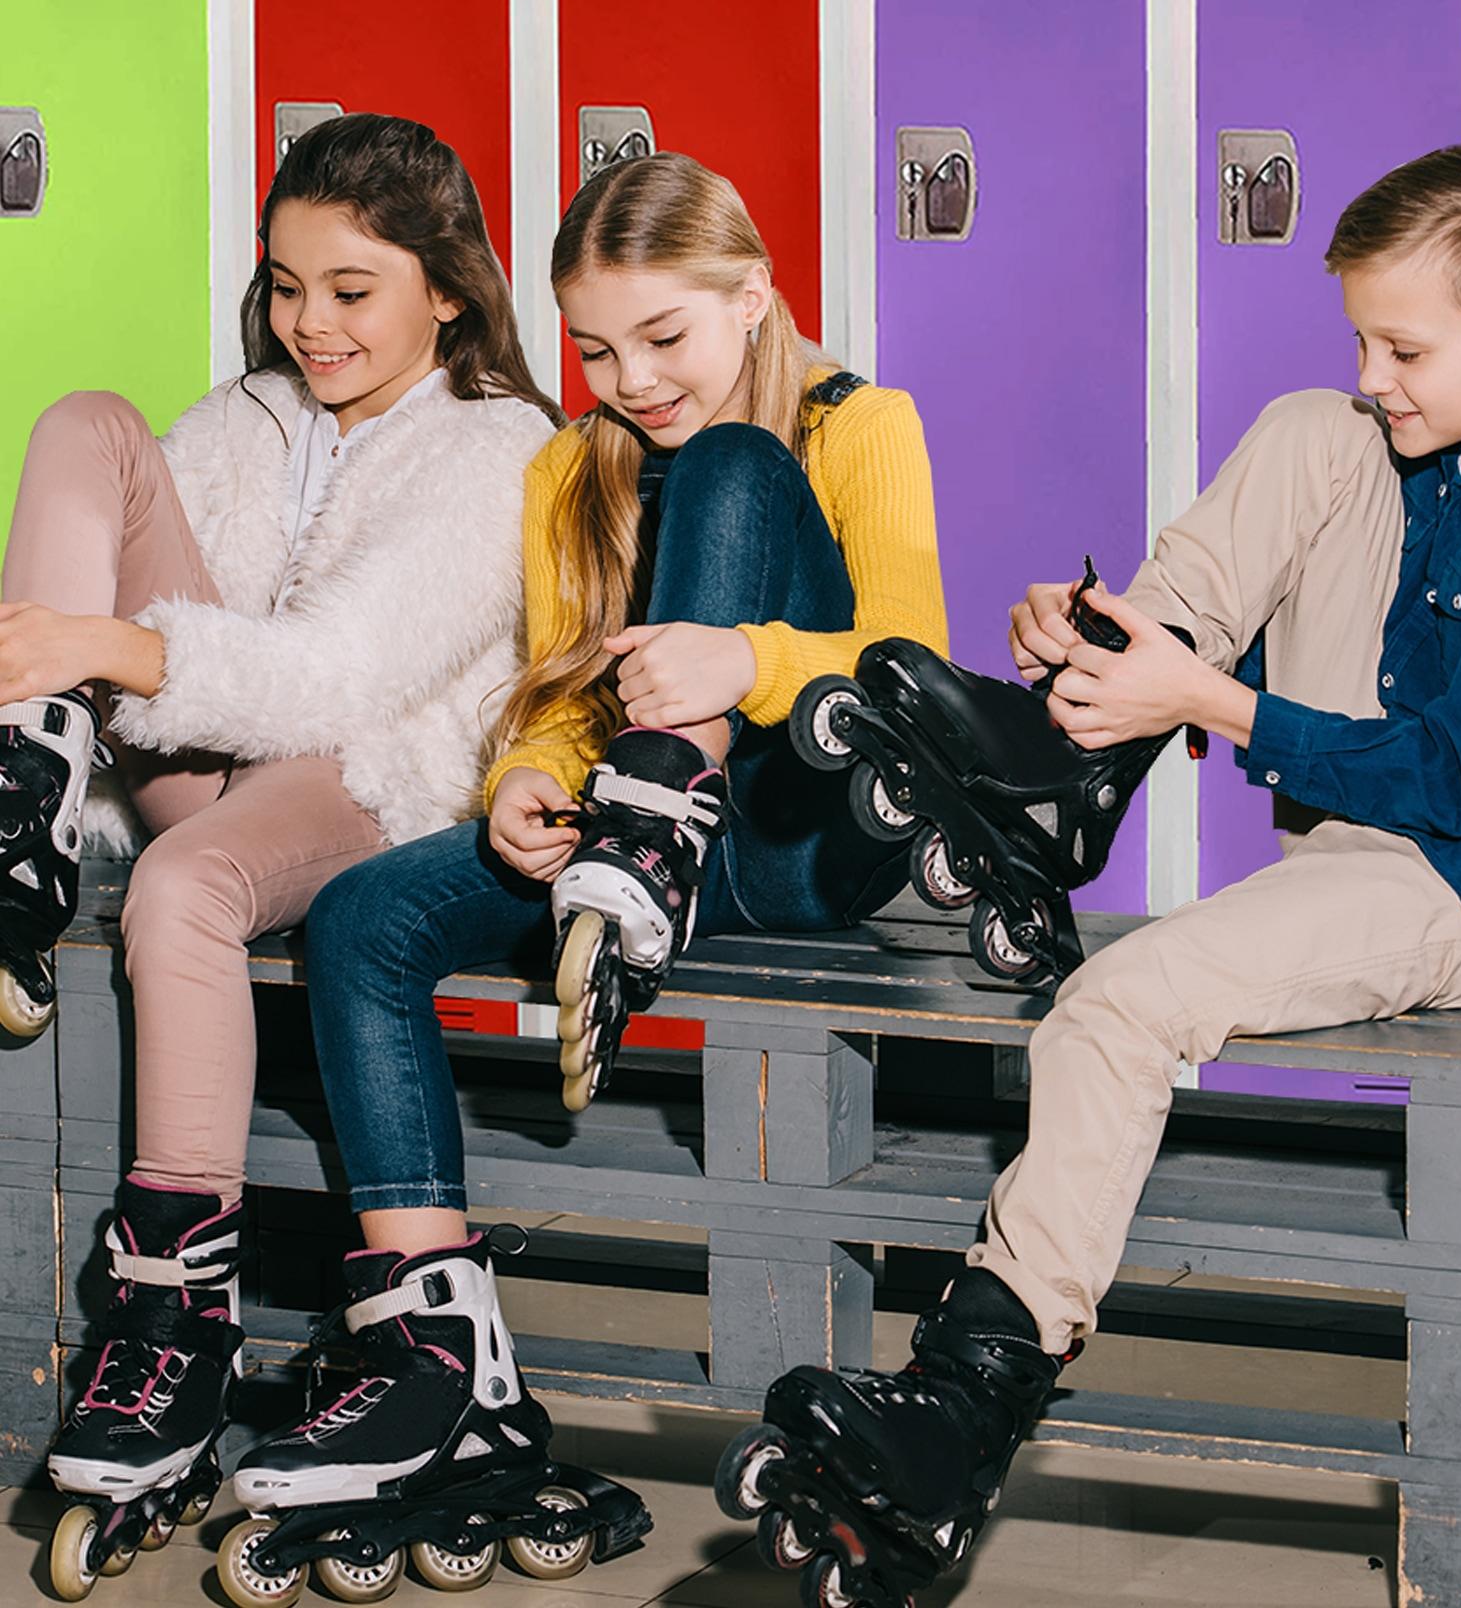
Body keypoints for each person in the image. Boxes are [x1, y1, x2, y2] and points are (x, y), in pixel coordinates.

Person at [730, 140, 1461, 1605]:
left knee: (1122, 1003)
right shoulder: (1425, 437)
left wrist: (1207, 703)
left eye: (1404, 344)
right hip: (1382, 790)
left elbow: (1455, 781)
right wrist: (1120, 649)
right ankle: (1070, 756)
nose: (1378, 371)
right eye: (1367, 335)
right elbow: (1347, 599)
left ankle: (966, 1406)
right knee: (1316, 432)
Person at [223, 152, 947, 1539]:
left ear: (753, 298)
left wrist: (745, 658)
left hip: (791, 838)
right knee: (361, 922)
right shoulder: (574, 462)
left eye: (665, 337)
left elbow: (911, 666)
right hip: (617, 844)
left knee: (735, 461)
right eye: (599, 349)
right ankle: (446, 1360)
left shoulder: (858, 423)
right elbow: (561, 691)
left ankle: (653, 825)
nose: (634, 380)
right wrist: (527, 786)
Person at [0, 112, 557, 1590]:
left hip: (365, 783)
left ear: (446, 286)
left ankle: (172, 1315)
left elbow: (334, 679)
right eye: (286, 284)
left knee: (186, 890)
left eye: (351, 290)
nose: (310, 323)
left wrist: (95, 644)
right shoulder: (247, 417)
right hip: (202, 751)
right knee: (88, 422)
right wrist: (76, 668)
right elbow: (174, 622)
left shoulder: (499, 446)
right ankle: (25, 794)